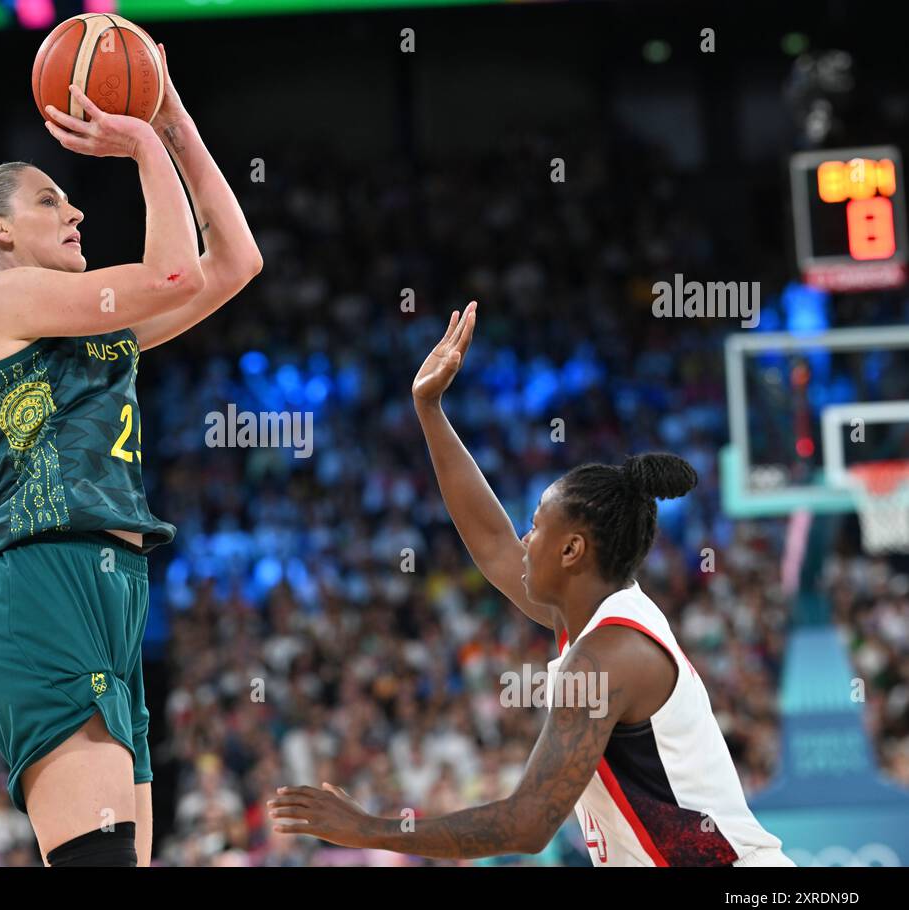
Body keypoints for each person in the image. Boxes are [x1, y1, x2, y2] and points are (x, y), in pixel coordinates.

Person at [0, 46, 262, 867]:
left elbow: (234, 264)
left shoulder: (90, 333)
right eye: (50, 200)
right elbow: (171, 272)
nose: (76, 213)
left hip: (112, 600)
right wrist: (140, 147)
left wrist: (174, 121)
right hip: (43, 592)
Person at [270, 302, 794, 866]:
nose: (524, 538)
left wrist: (371, 829)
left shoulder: (606, 655)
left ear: (572, 551)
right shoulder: (591, 618)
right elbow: (493, 543)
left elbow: (527, 823)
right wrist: (429, 409)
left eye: (537, 526)